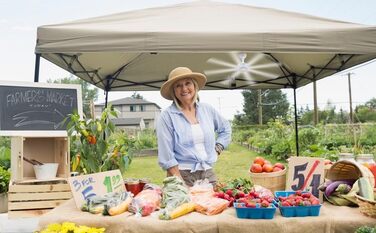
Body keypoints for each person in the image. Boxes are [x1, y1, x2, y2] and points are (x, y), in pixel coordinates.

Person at [156, 67, 231, 187]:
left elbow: (225, 128)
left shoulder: (207, 110)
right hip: (181, 174)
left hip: (207, 171)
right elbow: (166, 155)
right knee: (187, 205)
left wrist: (218, 147)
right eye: (178, 86)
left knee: (210, 205)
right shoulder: (167, 116)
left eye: (187, 83)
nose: (184, 89)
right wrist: (181, 184)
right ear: (173, 91)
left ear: (194, 86)